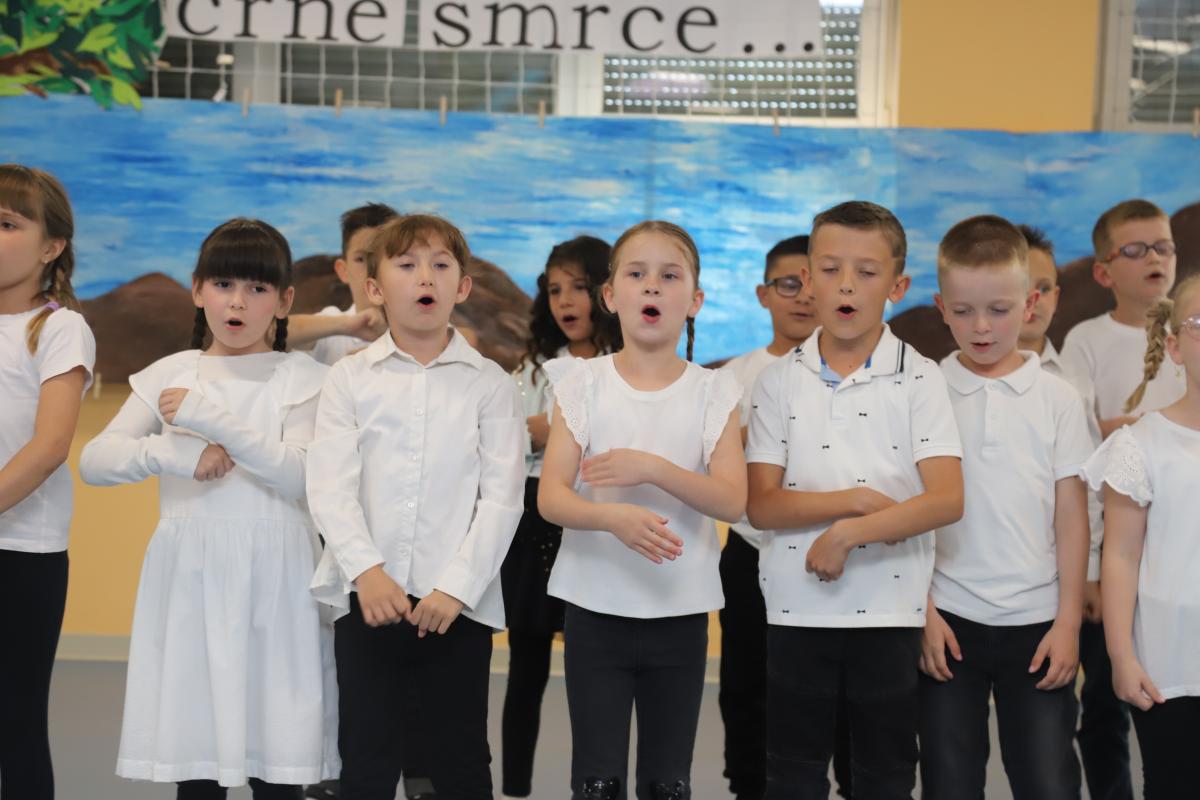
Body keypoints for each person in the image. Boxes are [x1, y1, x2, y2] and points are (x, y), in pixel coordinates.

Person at [80, 218, 336, 799]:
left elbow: (298, 476)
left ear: (284, 301)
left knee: (279, 768)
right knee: (196, 769)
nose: (237, 302)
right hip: (192, 577)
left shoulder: (308, 378)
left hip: (280, 580)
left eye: (257, 287)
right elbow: (96, 461)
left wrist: (210, 419)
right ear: (197, 290)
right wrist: (174, 454)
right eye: (223, 284)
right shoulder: (170, 373)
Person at [745, 200, 964, 799]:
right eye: (830, 268)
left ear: (897, 286)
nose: (846, 284)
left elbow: (947, 499)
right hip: (796, 611)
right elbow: (762, 506)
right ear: (808, 278)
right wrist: (858, 500)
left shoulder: (920, 377)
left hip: (891, 613)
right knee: (792, 775)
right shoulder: (776, 381)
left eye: (866, 272)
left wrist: (849, 532)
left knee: (884, 776)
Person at [307, 214, 524, 800]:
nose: (425, 276)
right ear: (375, 288)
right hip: (368, 599)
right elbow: (330, 487)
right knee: (366, 759)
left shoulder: (490, 385)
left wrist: (456, 588)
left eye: (440, 265)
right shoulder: (349, 379)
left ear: (463, 286)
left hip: (455, 608)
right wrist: (367, 572)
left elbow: (502, 500)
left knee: (459, 761)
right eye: (406, 265)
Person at [537, 220, 746, 800]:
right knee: (597, 781)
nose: (652, 286)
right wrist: (612, 518)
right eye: (636, 274)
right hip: (593, 610)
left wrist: (653, 468)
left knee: (667, 781)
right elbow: (551, 497)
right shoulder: (582, 384)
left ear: (695, 300)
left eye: (669, 276)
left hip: (680, 614)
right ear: (611, 296)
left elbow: (733, 499)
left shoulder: (714, 391)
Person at [919, 215, 1089, 797]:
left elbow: (1072, 516)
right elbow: (909, 510)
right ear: (941, 307)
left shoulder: (1060, 399)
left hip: (1038, 622)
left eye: (998, 309)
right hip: (948, 621)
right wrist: (922, 611)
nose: (982, 326)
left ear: (1030, 303)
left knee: (1047, 781)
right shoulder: (923, 391)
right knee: (949, 782)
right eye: (964, 311)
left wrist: (1068, 622)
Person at [501, 235, 618, 800]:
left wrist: (556, 431)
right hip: (534, 523)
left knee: (594, 674)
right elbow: (506, 440)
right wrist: (540, 431)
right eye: (554, 290)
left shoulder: (626, 367)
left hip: (597, 519)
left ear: (607, 293)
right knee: (525, 670)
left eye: (579, 287)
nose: (566, 301)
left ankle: (592, 785)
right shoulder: (534, 370)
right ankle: (515, 787)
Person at [1081, 274, 1200, 798]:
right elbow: (1121, 556)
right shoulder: (1141, 444)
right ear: (1173, 346)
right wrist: (1122, 657)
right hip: (1171, 667)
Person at [0, 163, 96, 800]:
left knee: (15, 722)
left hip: (22, 554)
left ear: (51, 246)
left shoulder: (60, 329)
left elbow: (49, 446)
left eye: (8, 224)